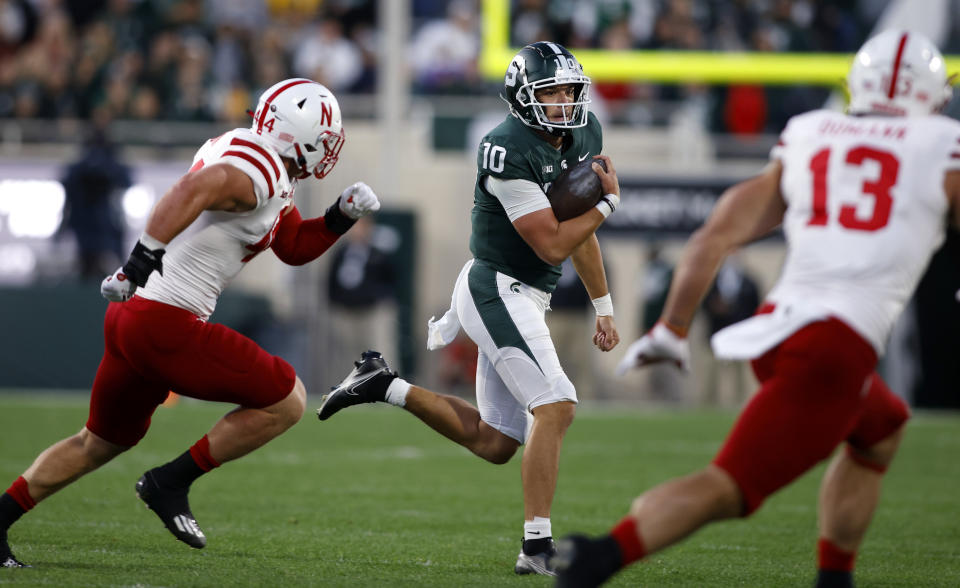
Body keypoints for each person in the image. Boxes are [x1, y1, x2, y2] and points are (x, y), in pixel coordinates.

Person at [553, 29, 959, 588]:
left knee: (881, 429)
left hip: (780, 330)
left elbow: (716, 232)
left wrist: (672, 327)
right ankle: (598, 557)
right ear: (932, 94)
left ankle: (834, 579)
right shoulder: (942, 143)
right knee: (729, 489)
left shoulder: (812, 131)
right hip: (833, 349)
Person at [0, 78, 380, 568]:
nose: (328, 152)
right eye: (324, 140)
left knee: (98, 442)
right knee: (287, 399)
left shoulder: (260, 162)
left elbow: (289, 246)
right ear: (298, 135)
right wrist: (140, 261)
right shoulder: (258, 165)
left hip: (132, 320)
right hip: (166, 320)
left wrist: (339, 217)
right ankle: (169, 482)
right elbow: (195, 188)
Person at [316, 41, 621, 577]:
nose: (565, 100)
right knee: (557, 404)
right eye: (551, 92)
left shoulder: (584, 132)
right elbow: (551, 243)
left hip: (526, 292)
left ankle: (383, 384)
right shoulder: (504, 147)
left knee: (497, 442)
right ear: (523, 97)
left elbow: (578, 232)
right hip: (496, 287)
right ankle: (537, 548)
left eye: (570, 89)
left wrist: (603, 304)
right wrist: (608, 204)